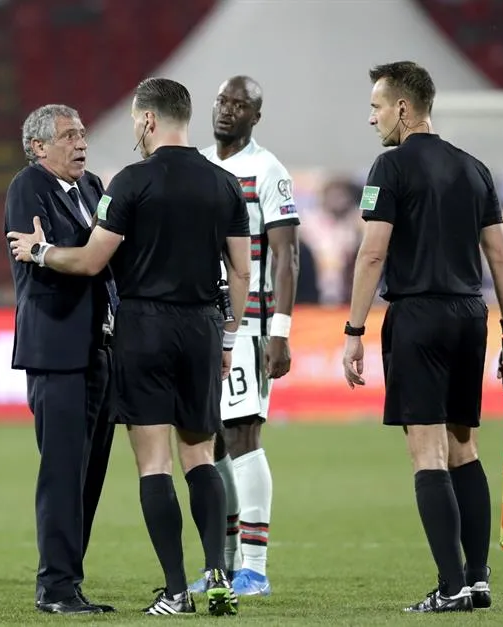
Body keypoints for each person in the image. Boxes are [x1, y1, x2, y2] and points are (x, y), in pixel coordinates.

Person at [8, 77, 251, 617]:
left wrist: (41, 252)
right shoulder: (226, 183)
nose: (83, 142)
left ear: (147, 119)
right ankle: (217, 573)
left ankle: (175, 590)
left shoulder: (127, 181)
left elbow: (93, 259)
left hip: (143, 330)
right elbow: (240, 270)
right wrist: (230, 335)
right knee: (201, 454)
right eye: (70, 135)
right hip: (204, 327)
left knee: (154, 462)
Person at [342, 61, 503, 613]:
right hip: (470, 316)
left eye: (376, 107)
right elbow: (501, 259)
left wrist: (354, 330)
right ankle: (478, 580)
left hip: (418, 315)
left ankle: (450, 588)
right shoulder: (474, 169)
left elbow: (372, 253)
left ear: (403, 108)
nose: (371, 118)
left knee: (427, 452)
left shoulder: (389, 167)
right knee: (464, 448)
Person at [190, 75, 300, 598]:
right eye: (221, 101)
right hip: (202, 322)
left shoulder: (267, 170)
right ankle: (226, 565)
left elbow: (286, 256)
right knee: (210, 441)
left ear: (256, 116)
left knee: (241, 435)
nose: (227, 110)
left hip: (249, 323)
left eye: (239, 104)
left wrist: (280, 331)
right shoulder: (198, 166)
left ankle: (254, 568)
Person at [4, 104, 117, 615]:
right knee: (63, 470)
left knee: (89, 473)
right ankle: (54, 586)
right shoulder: (27, 187)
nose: (81, 143)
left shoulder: (92, 185)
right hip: (55, 348)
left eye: (82, 133)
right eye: (68, 136)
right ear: (38, 147)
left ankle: (70, 580)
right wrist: (79, 251)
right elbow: (55, 256)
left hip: (98, 346)